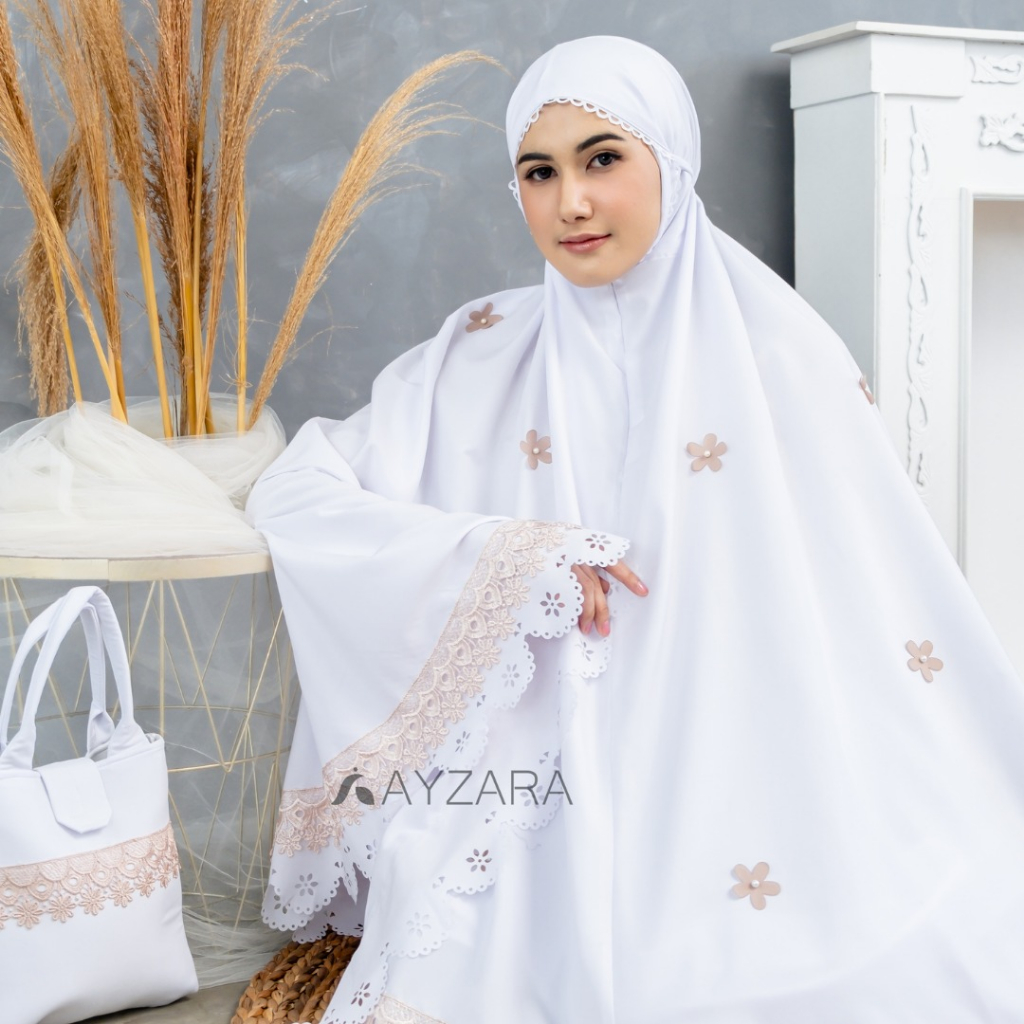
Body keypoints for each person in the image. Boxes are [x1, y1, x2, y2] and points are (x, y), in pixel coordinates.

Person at [245, 35, 1024, 1024]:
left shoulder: (784, 356)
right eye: (539, 172)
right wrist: (506, 560)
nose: (570, 202)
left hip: (755, 774)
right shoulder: (476, 354)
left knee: (866, 955)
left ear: (673, 159)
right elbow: (297, 492)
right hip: (539, 796)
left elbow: (876, 595)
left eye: (602, 158)